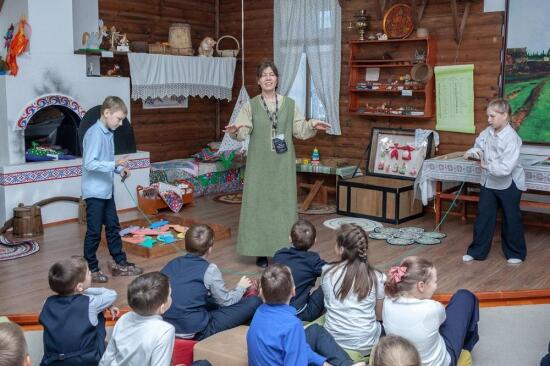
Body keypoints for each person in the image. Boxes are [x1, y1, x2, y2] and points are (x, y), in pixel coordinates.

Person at [224, 60, 331, 268]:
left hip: (282, 166)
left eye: (271, 74)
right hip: (259, 166)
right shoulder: (251, 105)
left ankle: (284, 247)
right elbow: (243, 128)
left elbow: (300, 129)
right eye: (264, 74)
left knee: (283, 206)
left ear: (277, 79)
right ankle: (261, 251)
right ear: (258, 80)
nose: (268, 78)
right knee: (259, 206)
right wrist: (235, 130)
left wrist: (313, 124)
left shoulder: (289, 105)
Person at [247, 263, 365, 366]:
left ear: (261, 293)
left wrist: (322, 362)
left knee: (315, 331)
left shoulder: (259, 312)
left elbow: (296, 347)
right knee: (315, 333)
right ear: (293, 291)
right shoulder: (292, 326)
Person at [161, 224, 262, 340]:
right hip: (194, 330)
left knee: (210, 297)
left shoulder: (171, 263)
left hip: (165, 325)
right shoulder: (210, 269)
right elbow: (226, 302)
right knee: (254, 302)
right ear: (210, 247)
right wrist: (241, 287)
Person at [82, 96, 143, 282]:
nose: (121, 122)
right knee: (94, 231)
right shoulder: (94, 134)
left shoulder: (108, 133)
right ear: (106, 113)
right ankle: (91, 268)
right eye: (119, 118)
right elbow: (90, 163)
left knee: (113, 227)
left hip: (107, 191)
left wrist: (119, 169)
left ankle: (119, 262)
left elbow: (105, 161)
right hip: (94, 192)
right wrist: (114, 163)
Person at [462, 98, 526, 264]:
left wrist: (486, 166)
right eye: (488, 116)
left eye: (492, 116)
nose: (489, 120)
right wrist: (473, 153)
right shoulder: (487, 132)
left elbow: (505, 168)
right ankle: (477, 252)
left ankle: (516, 254)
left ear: (504, 115)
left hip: (509, 183)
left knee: (511, 218)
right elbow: (479, 146)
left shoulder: (512, 138)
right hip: (488, 182)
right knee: (484, 216)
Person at [383, 256, 479, 366]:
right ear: (421, 286)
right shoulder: (431, 308)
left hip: (400, 360)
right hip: (442, 363)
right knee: (464, 296)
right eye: (435, 282)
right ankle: (465, 348)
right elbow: (444, 320)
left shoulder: (387, 301)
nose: (436, 286)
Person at [39, 256, 119, 365]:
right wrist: (84, 291)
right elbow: (111, 294)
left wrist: (77, 290)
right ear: (79, 286)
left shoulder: (46, 302)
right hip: (86, 361)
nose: (90, 273)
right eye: (88, 273)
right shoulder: (91, 302)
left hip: (53, 361)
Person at [321, 223, 385, 356]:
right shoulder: (377, 277)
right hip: (366, 345)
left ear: (341, 249)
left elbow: (329, 304)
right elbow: (379, 316)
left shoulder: (327, 272)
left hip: (333, 344)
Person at [99, 272, 174, 366]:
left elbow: (108, 357)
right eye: (169, 294)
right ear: (162, 307)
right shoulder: (165, 331)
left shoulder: (124, 318)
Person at [273, 219, 326, 321]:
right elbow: (332, 271)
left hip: (276, 307)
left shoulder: (279, 254)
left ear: (290, 238)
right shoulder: (313, 260)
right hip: (300, 313)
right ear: (314, 241)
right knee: (326, 285)